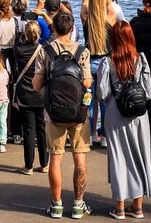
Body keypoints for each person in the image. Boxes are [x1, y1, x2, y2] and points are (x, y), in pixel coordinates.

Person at [32, 12, 92, 219]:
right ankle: (78, 204)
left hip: (54, 112)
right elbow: (86, 83)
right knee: (79, 159)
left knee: (55, 159)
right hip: (78, 111)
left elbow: (37, 84)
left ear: (54, 29)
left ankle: (56, 205)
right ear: (72, 27)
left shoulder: (46, 50)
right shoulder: (83, 51)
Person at [97, 21, 151, 220]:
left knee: (118, 157)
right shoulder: (141, 59)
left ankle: (119, 207)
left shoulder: (108, 61)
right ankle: (137, 206)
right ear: (131, 37)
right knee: (139, 155)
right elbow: (148, 92)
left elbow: (103, 93)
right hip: (138, 114)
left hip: (116, 112)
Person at [81, 0, 117, 146]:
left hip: (89, 64)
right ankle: (104, 136)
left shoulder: (87, 20)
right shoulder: (109, 19)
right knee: (104, 101)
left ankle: (88, 135)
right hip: (104, 63)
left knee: (88, 101)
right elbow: (110, 6)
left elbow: (83, 4)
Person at [12, 20, 48, 175]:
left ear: (25, 33)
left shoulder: (18, 49)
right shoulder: (43, 50)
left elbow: (17, 40)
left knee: (28, 130)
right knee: (42, 129)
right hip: (40, 93)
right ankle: (45, 163)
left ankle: (28, 166)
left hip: (25, 94)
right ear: (38, 32)